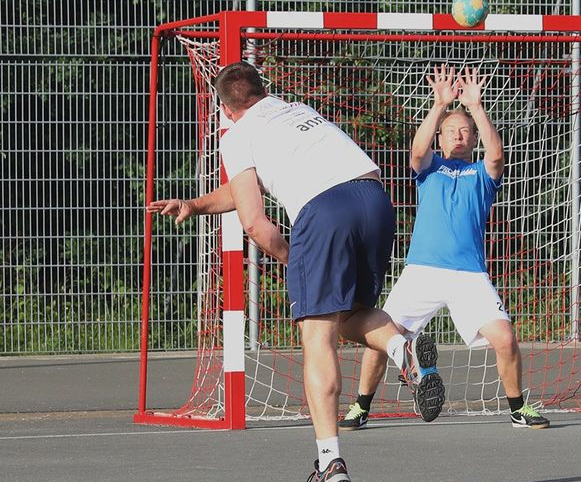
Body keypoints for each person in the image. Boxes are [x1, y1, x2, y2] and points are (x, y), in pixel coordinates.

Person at [146, 60, 446, 482]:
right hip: (373, 200)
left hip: (324, 212)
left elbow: (254, 222)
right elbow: (244, 186)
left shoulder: (236, 135)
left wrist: (292, 257)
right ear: (261, 90)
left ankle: (330, 463)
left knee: (317, 334)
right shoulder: (298, 110)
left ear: (226, 108)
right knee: (349, 314)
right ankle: (402, 349)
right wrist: (195, 205)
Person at [338, 64, 550, 432]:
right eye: (452, 131)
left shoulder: (482, 175)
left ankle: (518, 409)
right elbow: (416, 151)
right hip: (422, 270)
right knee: (383, 337)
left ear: (472, 140)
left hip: (469, 274)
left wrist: (476, 108)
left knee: (505, 337)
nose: (459, 136)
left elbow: (497, 156)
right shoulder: (430, 167)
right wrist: (440, 104)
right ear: (441, 137)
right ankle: (361, 406)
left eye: (465, 132)